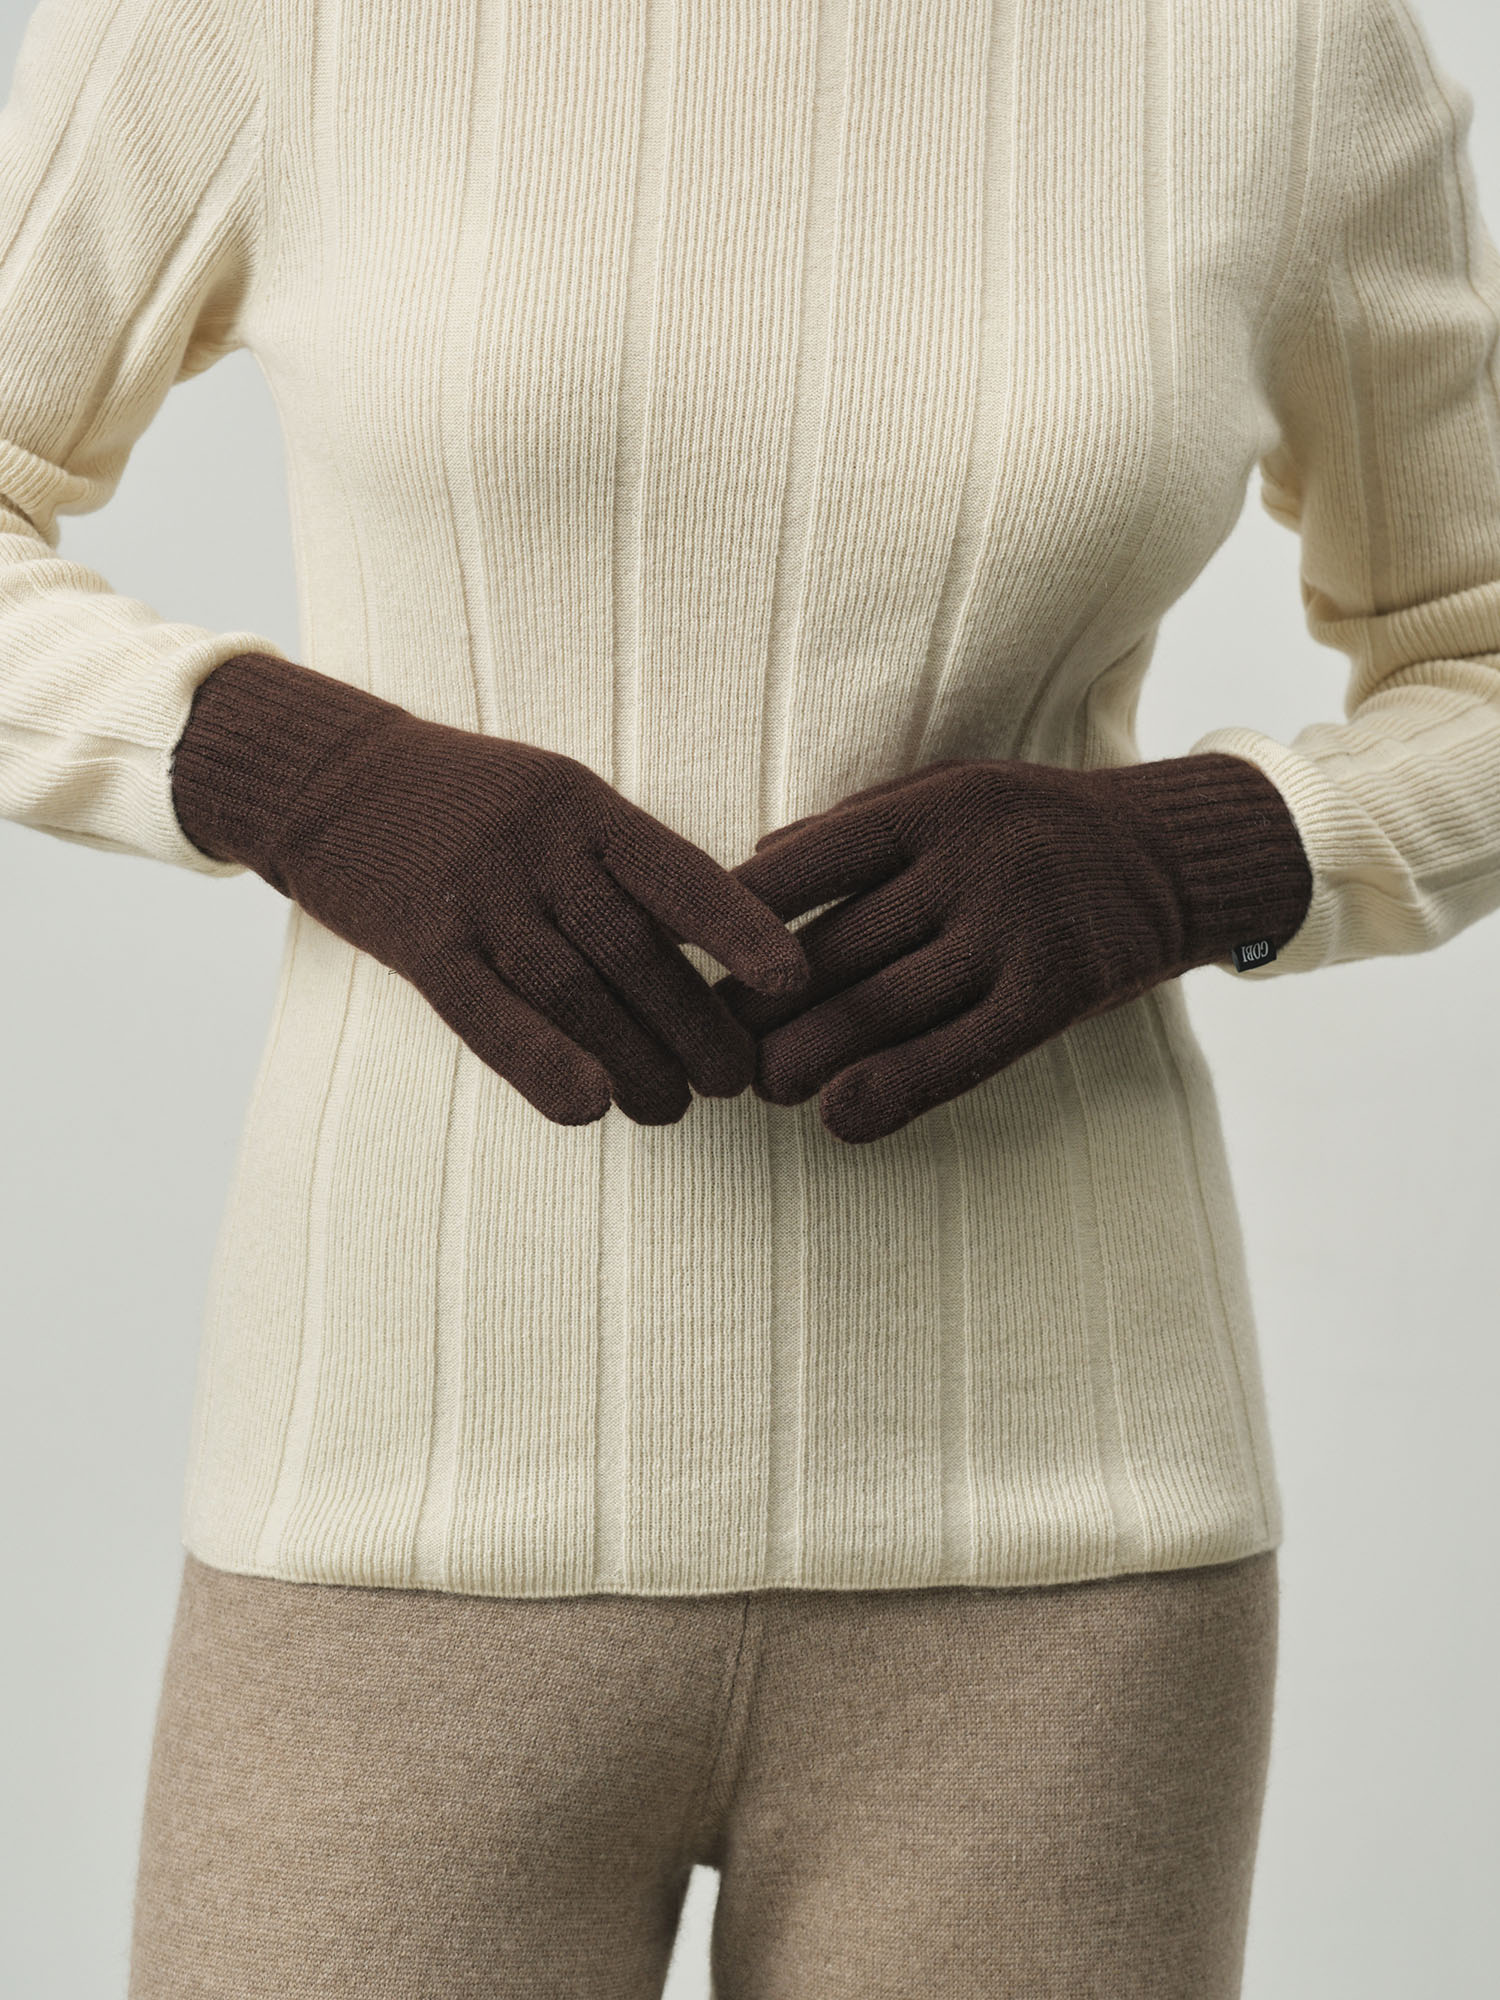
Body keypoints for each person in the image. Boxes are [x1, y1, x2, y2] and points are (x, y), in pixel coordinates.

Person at [2, 0, 1497, 1993]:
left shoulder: (1283, 47)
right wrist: (303, 777)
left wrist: (1202, 852)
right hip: (397, 1495)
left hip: (1066, 1548)